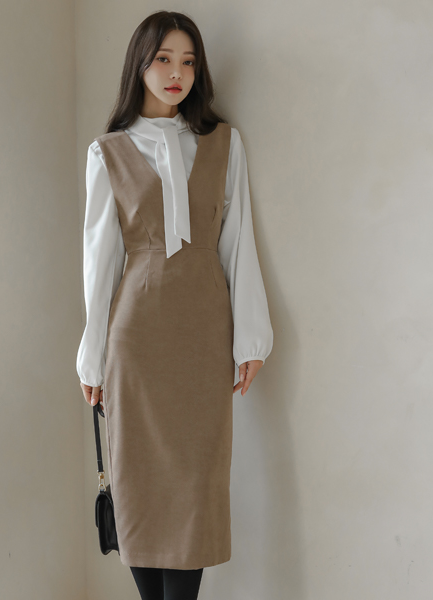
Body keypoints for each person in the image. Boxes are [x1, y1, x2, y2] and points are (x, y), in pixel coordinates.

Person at [76, 10, 273, 600]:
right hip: (135, 342)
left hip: (205, 337)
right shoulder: (108, 152)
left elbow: (239, 243)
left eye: (188, 61)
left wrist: (251, 338)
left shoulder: (223, 144)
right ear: (139, 65)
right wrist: (92, 356)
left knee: (195, 485)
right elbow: (99, 263)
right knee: (139, 483)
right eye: (163, 58)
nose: (176, 72)